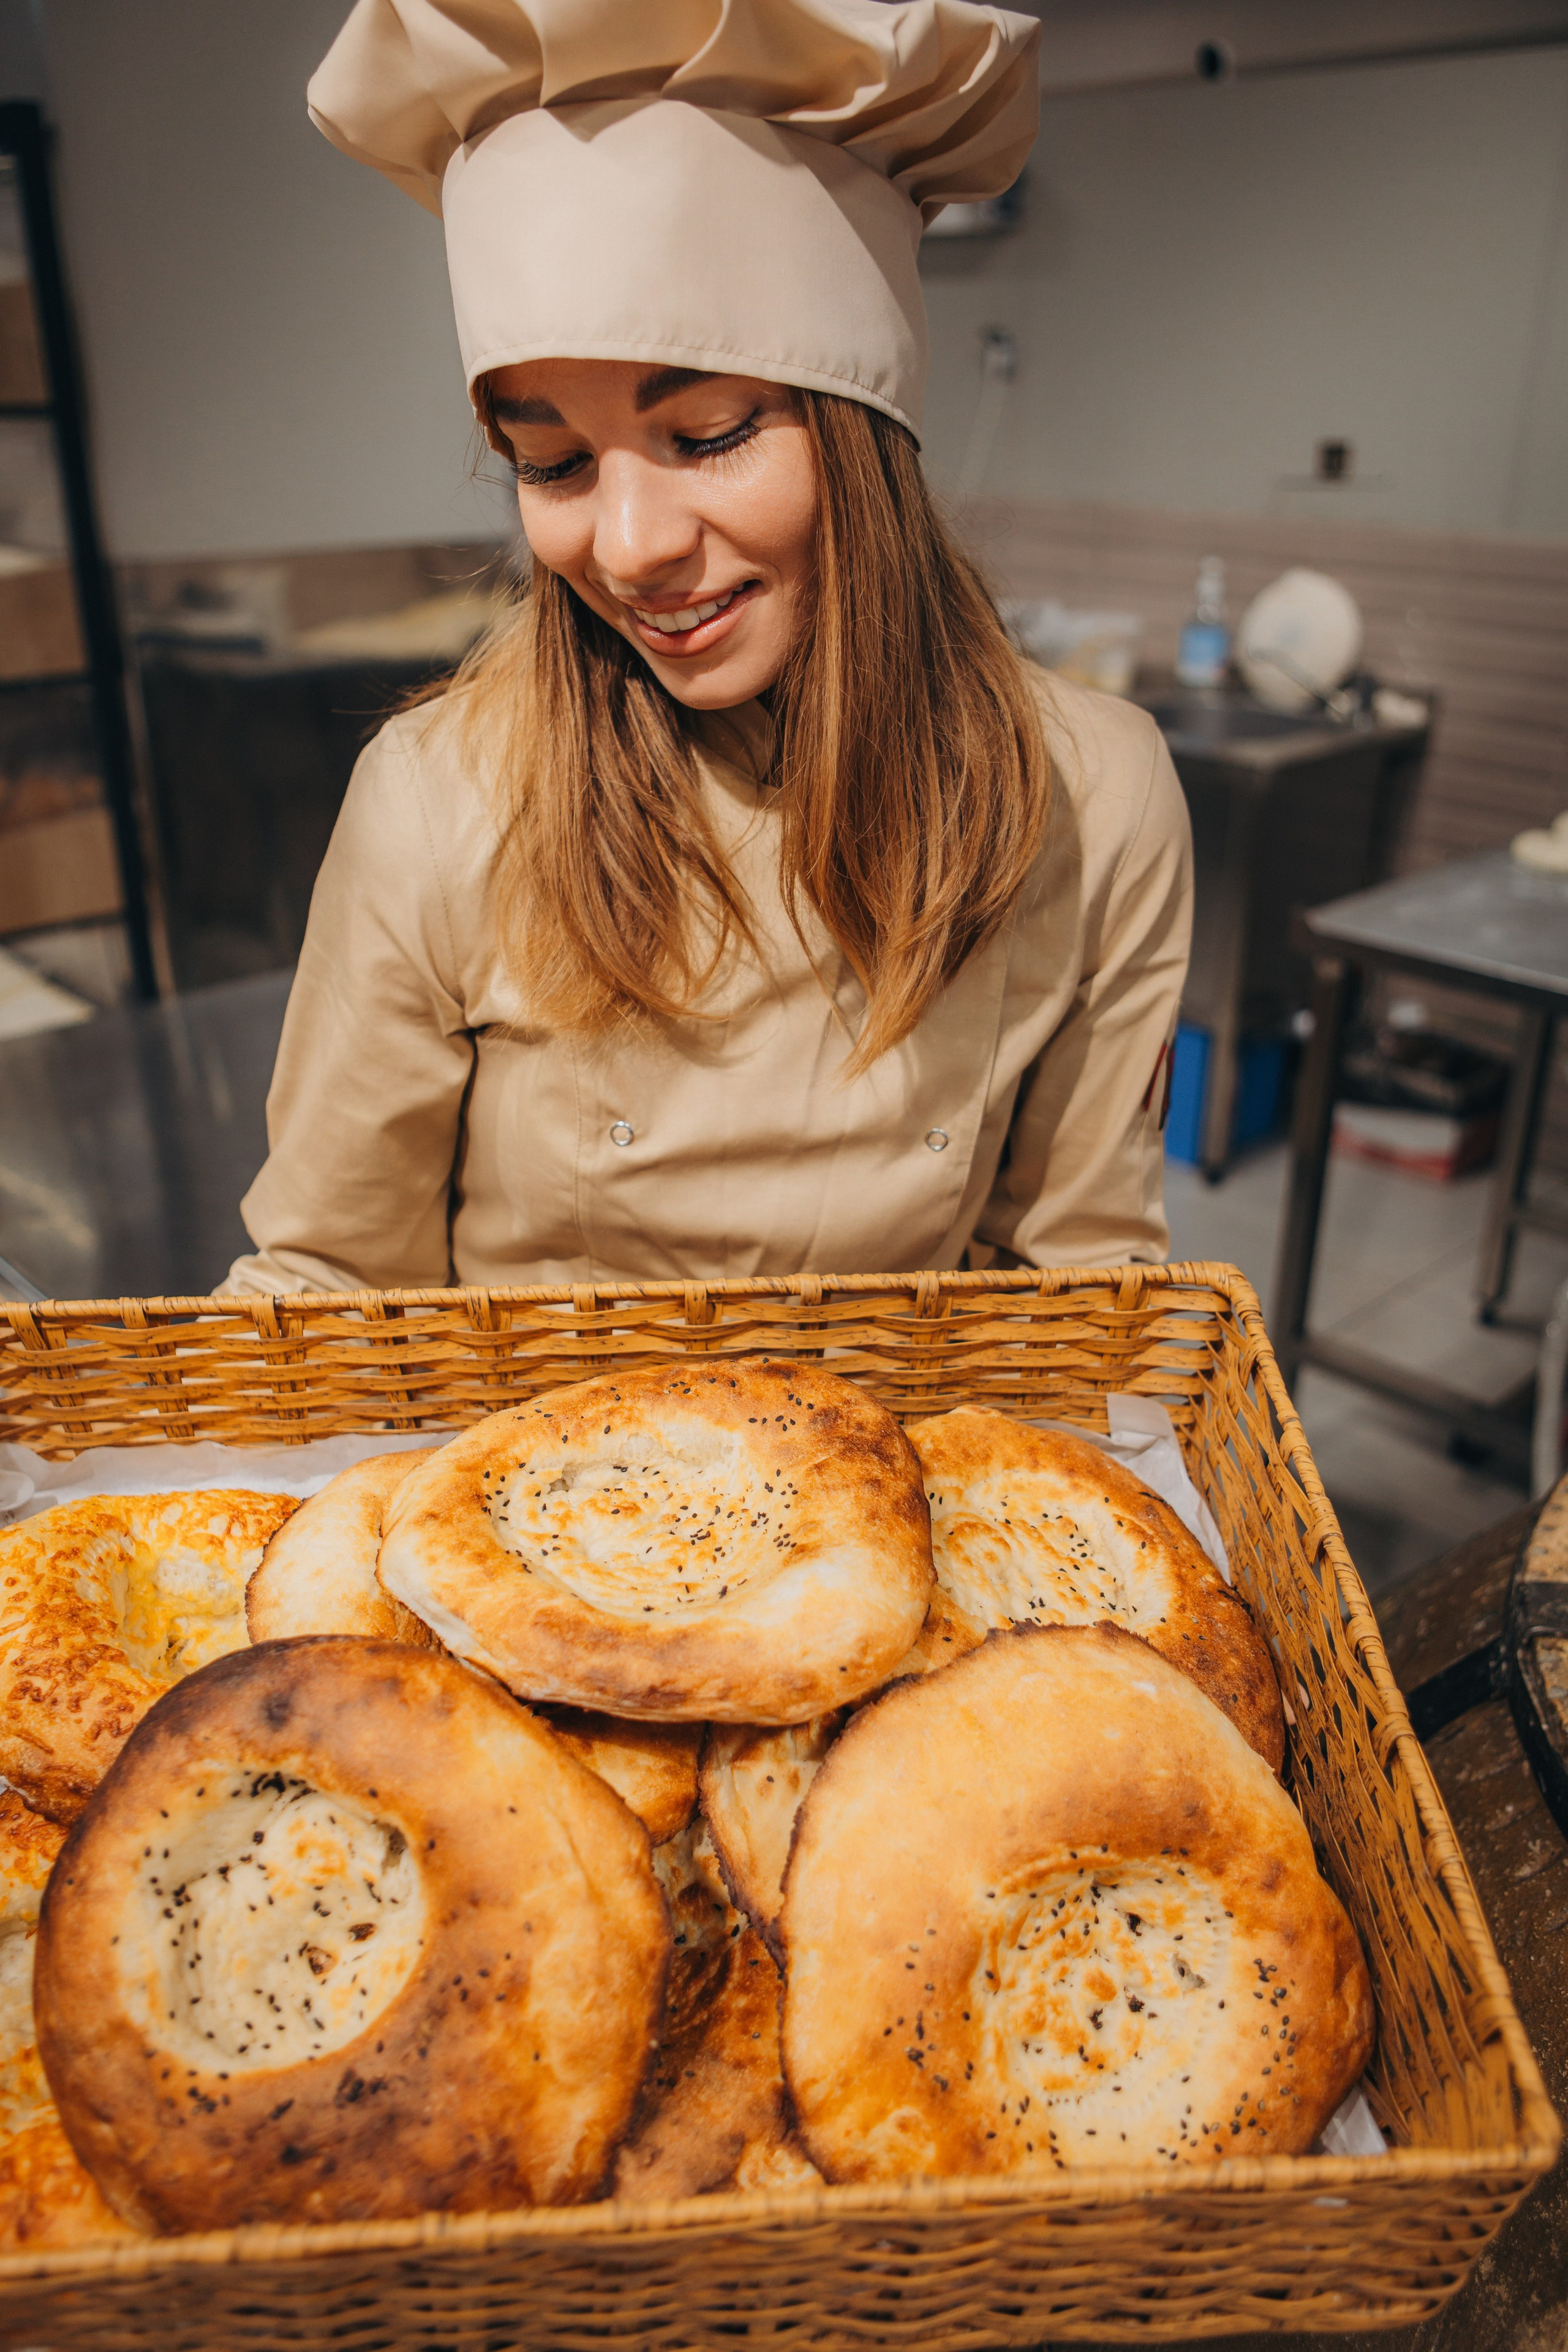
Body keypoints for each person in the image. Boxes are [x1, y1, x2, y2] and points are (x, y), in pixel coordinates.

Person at [225, 0, 1191, 1297]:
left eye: (710, 434)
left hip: (892, 1480)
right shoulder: (440, 797)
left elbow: (1078, 1299)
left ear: (865, 436)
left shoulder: (1095, 793)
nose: (626, 548)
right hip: (512, 1490)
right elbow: (332, 1294)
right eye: (552, 462)